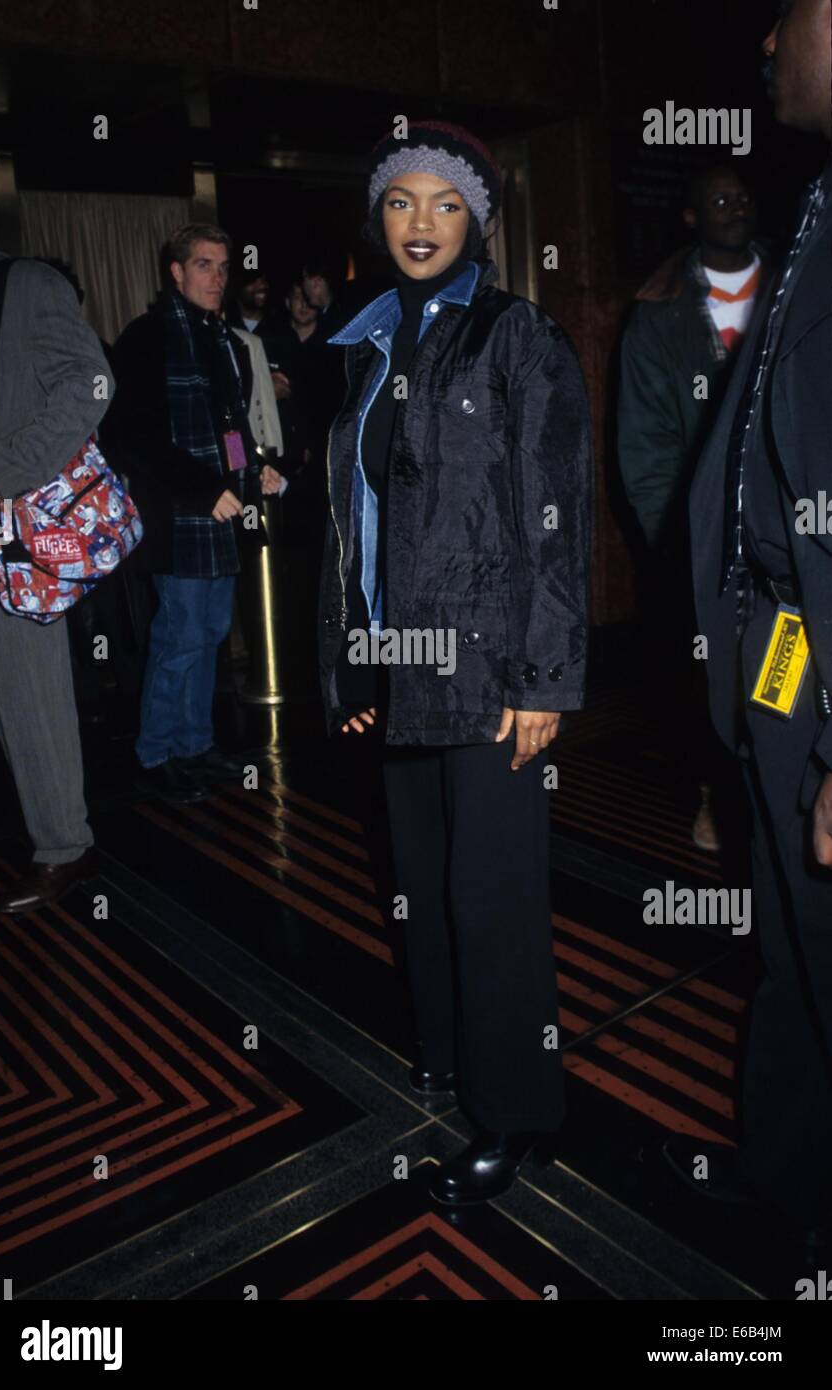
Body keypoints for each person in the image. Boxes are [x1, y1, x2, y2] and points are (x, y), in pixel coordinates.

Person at [318, 121, 592, 1204]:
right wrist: (352, 668)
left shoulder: (517, 336)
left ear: (475, 216)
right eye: (399, 201)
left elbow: (555, 520)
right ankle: (448, 1051)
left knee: (493, 898)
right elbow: (353, 523)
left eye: (442, 202)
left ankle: (521, 1112)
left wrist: (547, 677)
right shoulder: (366, 341)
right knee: (419, 887)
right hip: (398, 663)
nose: (419, 222)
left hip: (490, 670)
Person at [667, 0, 832, 1261]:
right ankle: (790, 1182)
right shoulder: (819, 205)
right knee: (790, 933)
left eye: (786, 15)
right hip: (783, 647)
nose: (767, 46)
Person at [618, 165, 773, 852]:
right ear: (689, 217)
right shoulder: (657, 310)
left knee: (790, 667)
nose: (732, 208)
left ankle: (784, 794)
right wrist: (675, 542)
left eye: (741, 197)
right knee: (710, 676)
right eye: (716, 199)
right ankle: (716, 791)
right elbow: (644, 447)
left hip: (792, 528)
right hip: (702, 533)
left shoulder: (796, 284)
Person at [101, 223, 275, 803]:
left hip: (220, 510)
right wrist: (204, 488)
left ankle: (195, 744)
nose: (217, 279)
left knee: (209, 634)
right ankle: (156, 753)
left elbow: (231, 428)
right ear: (175, 272)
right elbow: (131, 439)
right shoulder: (147, 337)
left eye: (223, 268)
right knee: (179, 636)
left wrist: (253, 471)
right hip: (178, 515)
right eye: (204, 265)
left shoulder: (221, 340)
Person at [0, 245, 108, 913]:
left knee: (25, 691)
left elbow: (91, 381)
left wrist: (6, 465)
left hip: (1, 518)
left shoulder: (24, 283)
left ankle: (64, 846)